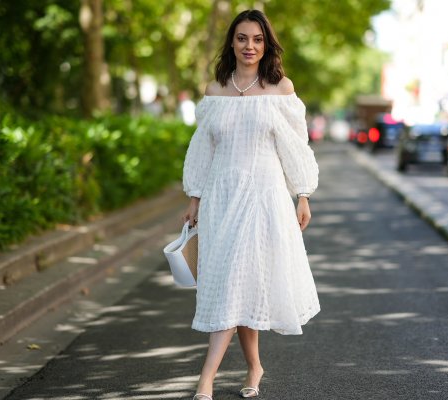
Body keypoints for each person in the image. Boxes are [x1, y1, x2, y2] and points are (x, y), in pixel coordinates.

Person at [181, 9, 320, 400]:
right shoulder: (215, 91)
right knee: (236, 284)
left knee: (236, 283)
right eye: (242, 38)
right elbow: (202, 149)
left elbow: (295, 146)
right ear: (231, 42)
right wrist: (195, 197)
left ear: (266, 44)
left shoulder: (280, 89)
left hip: (265, 198)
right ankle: (255, 366)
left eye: (257, 39)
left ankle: (205, 379)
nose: (250, 46)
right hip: (222, 199)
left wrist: (303, 193)